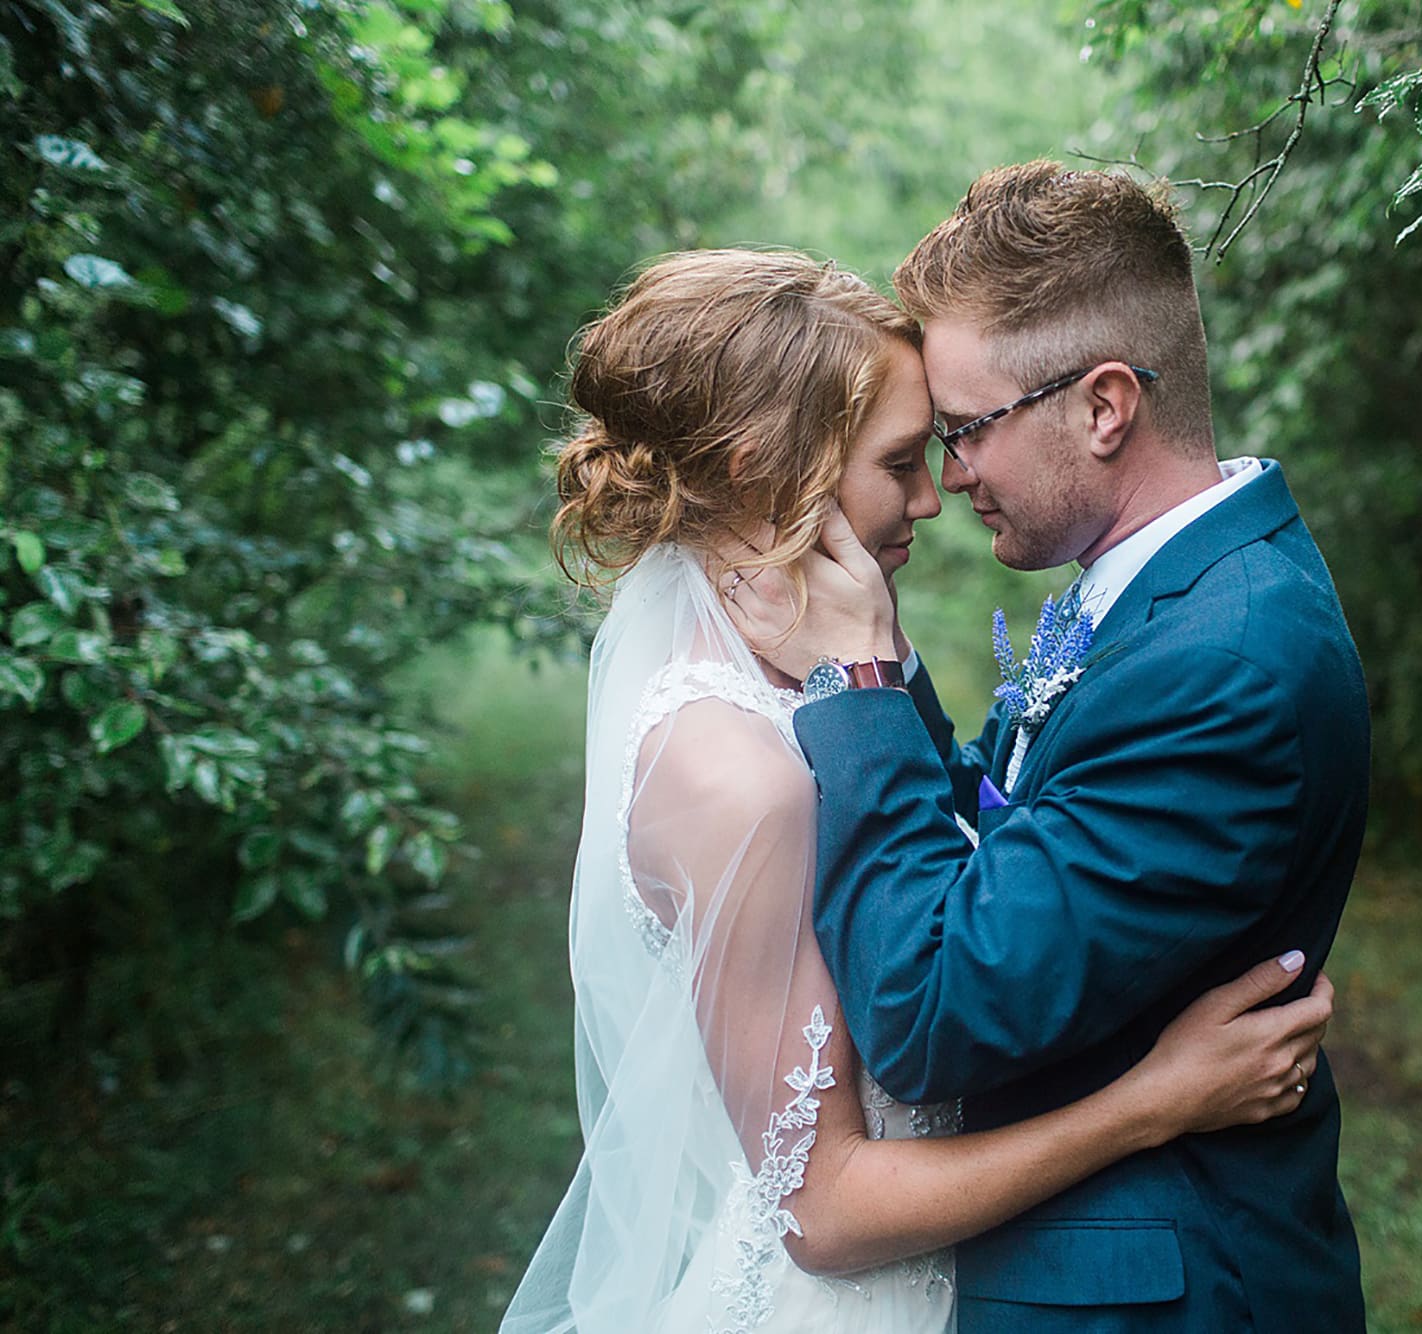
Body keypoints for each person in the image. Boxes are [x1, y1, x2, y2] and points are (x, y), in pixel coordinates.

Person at [500, 249, 1336, 1334]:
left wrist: (867, 670)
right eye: (903, 457)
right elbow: (826, 1207)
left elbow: (954, 838)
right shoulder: (732, 773)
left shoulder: (814, 689)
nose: (933, 496)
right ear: (766, 468)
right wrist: (1150, 1101)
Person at [727, 164, 1371, 1331]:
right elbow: (1008, 831)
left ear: (1102, 405)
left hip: (1158, 1293)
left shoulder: (1221, 660)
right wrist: (884, 665)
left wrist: (861, 682)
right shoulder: (1163, 592)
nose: (948, 477)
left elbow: (928, 1012)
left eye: (966, 430)